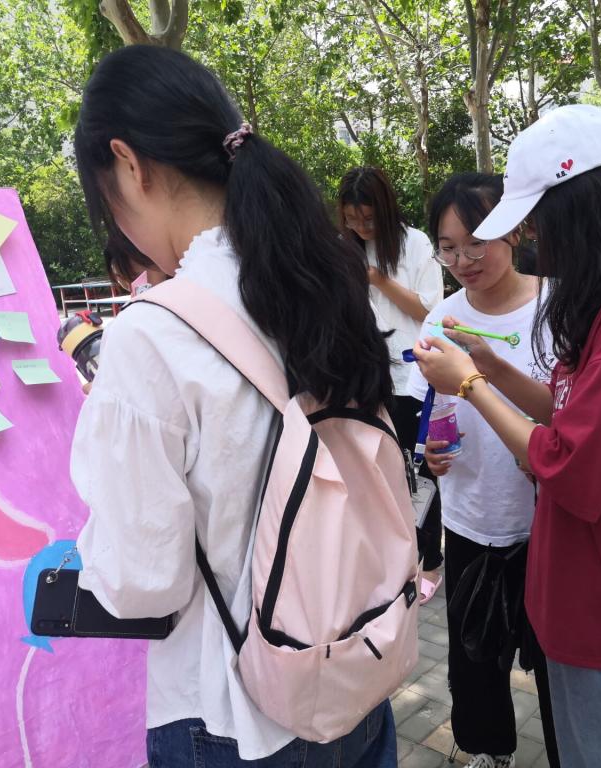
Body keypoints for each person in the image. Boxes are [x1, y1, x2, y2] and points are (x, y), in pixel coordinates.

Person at [70, 45, 397, 767]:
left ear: (129, 164)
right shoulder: (322, 281)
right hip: (356, 667)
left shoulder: (150, 335)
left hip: (232, 717)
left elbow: (143, 585)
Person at [413, 105, 601, 768]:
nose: (536, 240)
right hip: (597, 594)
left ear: (579, 210)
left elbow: (568, 464)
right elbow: (570, 412)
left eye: (537, 222)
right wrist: (493, 370)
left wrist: (471, 384)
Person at [408, 172, 558, 768]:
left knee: (555, 659)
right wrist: (429, 450)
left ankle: (571, 749)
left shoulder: (558, 306)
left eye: (476, 243)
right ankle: (488, 750)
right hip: (472, 514)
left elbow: (575, 408)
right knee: (474, 656)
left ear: (514, 230)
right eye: (448, 249)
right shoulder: (440, 319)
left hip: (549, 521)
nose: (463, 261)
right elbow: (432, 411)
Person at [339, 166, 446, 602]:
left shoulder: (415, 244)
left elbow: (430, 311)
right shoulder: (345, 248)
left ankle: (431, 560)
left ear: (384, 210)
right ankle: (392, 558)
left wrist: (376, 278)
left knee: (416, 473)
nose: (361, 227)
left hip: (412, 378)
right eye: (352, 219)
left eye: (368, 218)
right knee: (377, 471)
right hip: (368, 376)